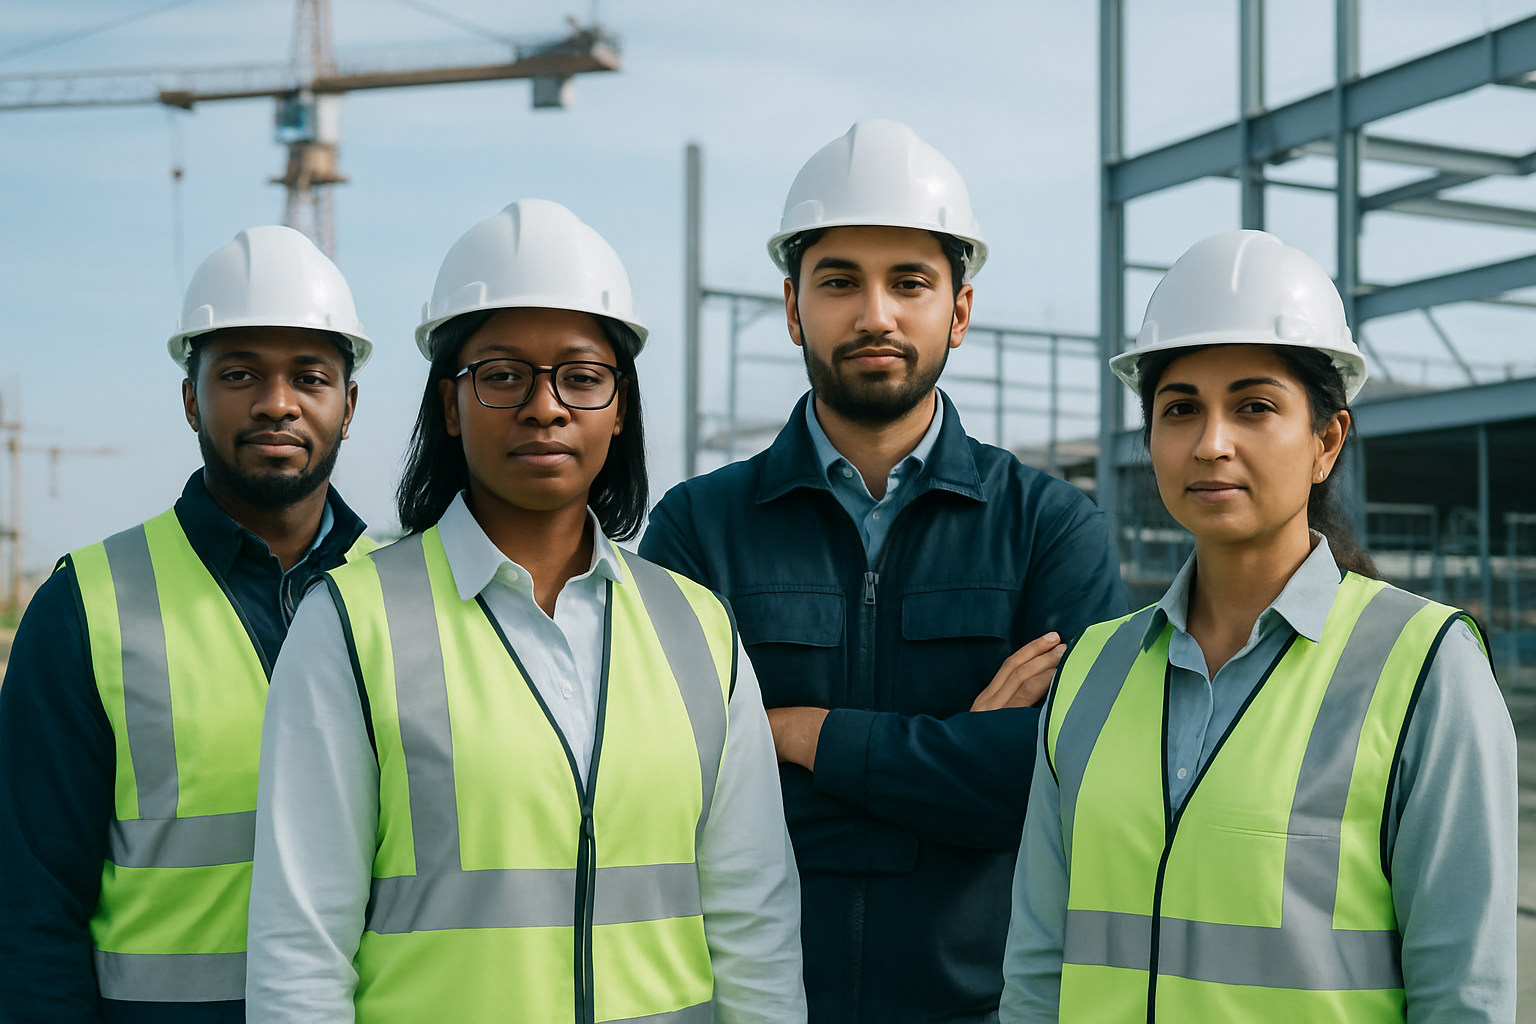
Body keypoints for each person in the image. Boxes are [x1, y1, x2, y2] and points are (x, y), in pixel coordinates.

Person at [245, 199, 805, 1024]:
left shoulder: (698, 630)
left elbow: (754, 927)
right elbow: (301, 952)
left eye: (581, 377)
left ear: (620, 409)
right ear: (449, 406)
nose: (545, 407)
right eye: (503, 375)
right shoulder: (352, 627)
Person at [640, 121, 1126, 1024]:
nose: (876, 314)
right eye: (839, 283)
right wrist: (951, 761)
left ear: (961, 310)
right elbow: (663, 789)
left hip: (983, 1008)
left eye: (910, 282)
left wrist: (800, 734)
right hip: (752, 1005)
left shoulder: (1049, 529)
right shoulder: (698, 530)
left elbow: (1067, 785)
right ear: (792, 309)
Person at [999, 229, 1518, 1023]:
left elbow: (1464, 996)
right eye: (1181, 410)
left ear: (1326, 441)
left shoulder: (1425, 668)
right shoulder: (1092, 670)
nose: (1211, 443)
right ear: (1151, 441)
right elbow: (1037, 968)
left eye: (1255, 407)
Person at [0, 225, 375, 1023]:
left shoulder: (411, 594)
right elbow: (29, 907)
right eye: (239, 373)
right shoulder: (88, 603)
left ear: (349, 406)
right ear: (189, 398)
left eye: (310, 376)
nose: (276, 402)